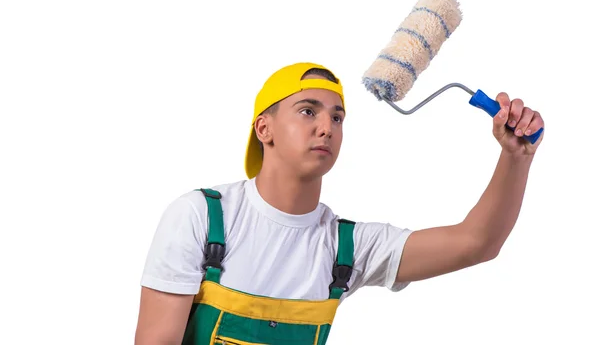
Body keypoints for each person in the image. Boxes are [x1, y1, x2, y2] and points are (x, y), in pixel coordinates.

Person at [134, 62, 545, 344]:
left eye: (337, 117)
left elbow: (476, 242)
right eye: (307, 111)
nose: (326, 128)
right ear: (264, 128)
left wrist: (516, 158)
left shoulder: (345, 248)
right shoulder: (202, 219)